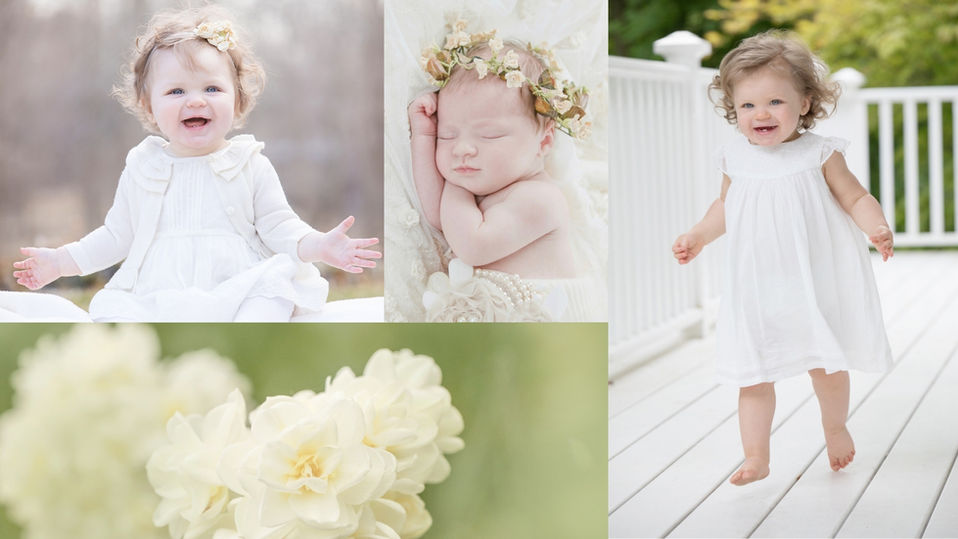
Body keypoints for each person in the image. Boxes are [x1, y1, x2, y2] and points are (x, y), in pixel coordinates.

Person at [11, 7, 380, 322]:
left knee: (275, 289)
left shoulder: (248, 163)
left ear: (238, 100)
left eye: (212, 89)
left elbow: (279, 225)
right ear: (148, 105)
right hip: (159, 289)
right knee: (118, 316)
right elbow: (115, 236)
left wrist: (319, 245)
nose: (196, 101)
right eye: (176, 91)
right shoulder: (143, 167)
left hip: (239, 283)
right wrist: (60, 262)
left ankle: (248, 351)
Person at [672, 30, 894, 485]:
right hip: (758, 285)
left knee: (826, 365)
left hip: (814, 281)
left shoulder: (820, 154)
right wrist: (698, 235)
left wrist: (876, 226)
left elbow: (855, 197)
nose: (761, 114)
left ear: (806, 103)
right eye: (748, 106)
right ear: (734, 109)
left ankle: (835, 427)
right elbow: (725, 207)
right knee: (753, 373)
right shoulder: (735, 156)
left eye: (775, 102)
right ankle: (756, 456)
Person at [407, 22, 599, 321]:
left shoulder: (540, 198)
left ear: (544, 140)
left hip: (546, 321)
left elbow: (471, 244)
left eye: (489, 136)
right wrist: (422, 135)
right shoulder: (483, 191)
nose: (463, 149)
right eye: (447, 135)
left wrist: (454, 180)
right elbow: (437, 214)